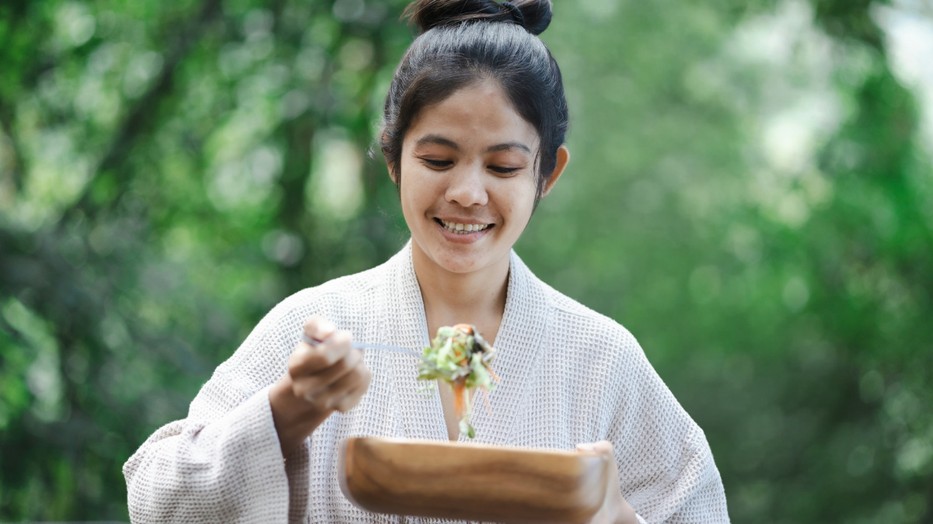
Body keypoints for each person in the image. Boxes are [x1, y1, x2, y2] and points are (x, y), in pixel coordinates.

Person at [123, 1, 730, 522]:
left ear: (548, 173)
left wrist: (613, 514)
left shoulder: (601, 359)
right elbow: (155, 501)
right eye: (439, 159)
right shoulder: (316, 328)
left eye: (504, 167)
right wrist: (290, 410)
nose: (467, 192)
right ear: (393, 157)